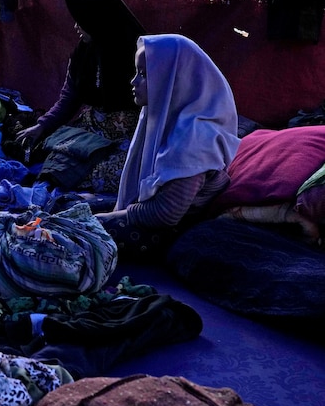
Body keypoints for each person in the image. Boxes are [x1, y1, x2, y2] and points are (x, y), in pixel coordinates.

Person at [95, 34, 241, 259]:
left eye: (144, 75)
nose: (133, 82)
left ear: (174, 79)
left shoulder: (195, 138)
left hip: (173, 228)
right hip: (152, 214)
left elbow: (165, 214)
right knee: (71, 207)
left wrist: (102, 220)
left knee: (82, 230)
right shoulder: (164, 118)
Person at [16, 0, 146, 192]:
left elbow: (155, 107)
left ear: (99, 18)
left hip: (127, 137)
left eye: (82, 20)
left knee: (116, 172)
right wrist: (42, 126)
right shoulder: (82, 55)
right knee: (56, 160)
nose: (76, 26)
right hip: (92, 129)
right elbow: (68, 98)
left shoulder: (138, 53)